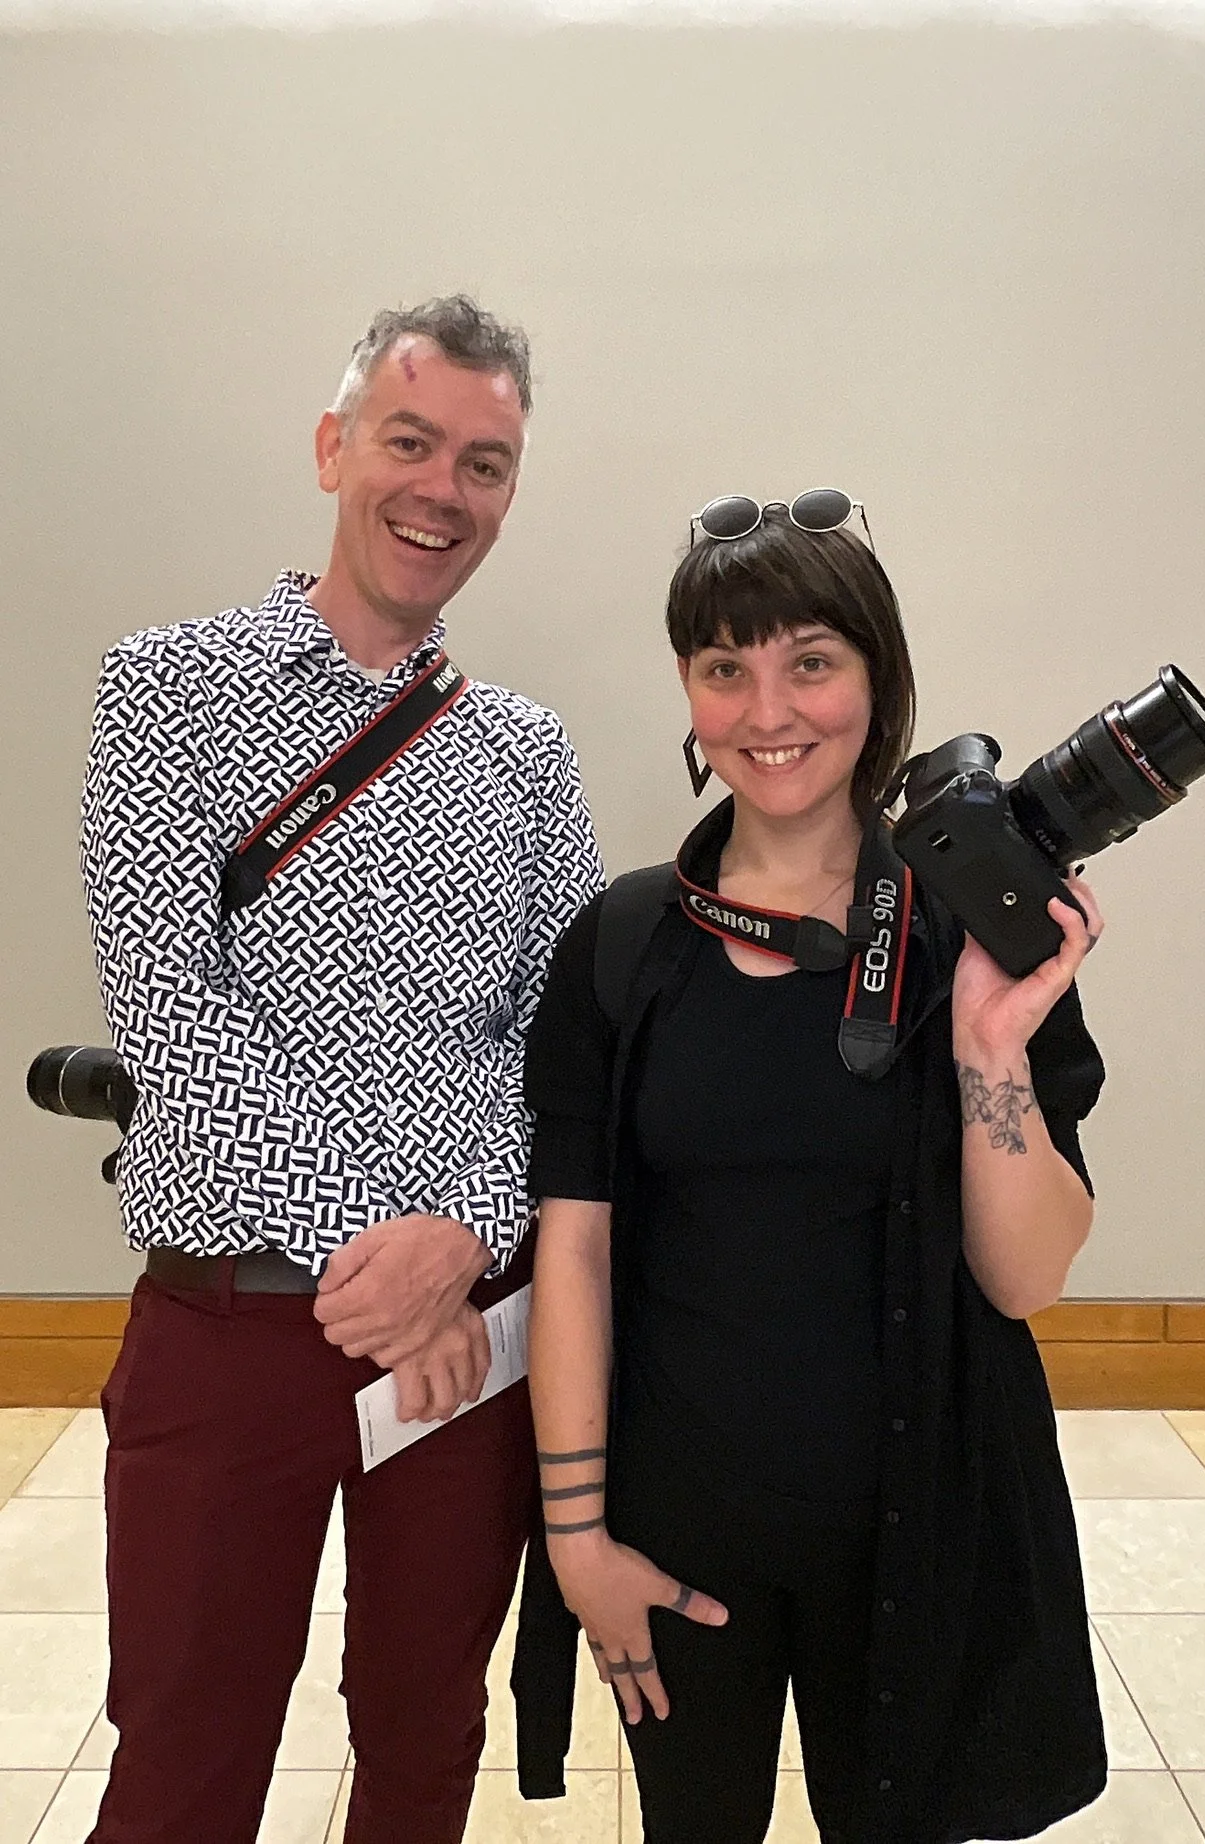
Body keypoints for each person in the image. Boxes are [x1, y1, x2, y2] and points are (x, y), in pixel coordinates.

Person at [79, 295, 604, 1844]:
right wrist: (382, 1265)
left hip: (462, 1349)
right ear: (334, 447)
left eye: (487, 463)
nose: (444, 488)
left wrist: (460, 1248)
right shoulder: (163, 689)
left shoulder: (527, 753)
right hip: (232, 1319)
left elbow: (560, 1046)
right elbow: (168, 1014)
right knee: (184, 1757)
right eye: (412, 440)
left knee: (425, 1740)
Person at [513, 496, 1108, 1844]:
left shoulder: (977, 931)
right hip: (677, 1532)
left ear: (878, 680)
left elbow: (1024, 1283)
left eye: (810, 660)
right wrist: (576, 1539)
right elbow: (577, 1250)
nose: (767, 706)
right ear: (690, 692)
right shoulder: (622, 946)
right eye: (724, 667)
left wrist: (991, 1056)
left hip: (915, 1525)